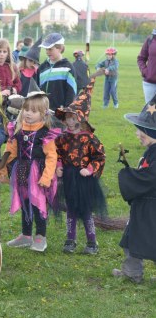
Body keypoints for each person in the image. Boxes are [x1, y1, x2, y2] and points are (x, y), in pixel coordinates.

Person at [55, 78, 107, 255]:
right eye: (67, 117)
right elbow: (58, 152)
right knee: (70, 209)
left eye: (73, 117)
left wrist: (90, 168)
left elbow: (100, 156)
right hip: (69, 177)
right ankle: (70, 239)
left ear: (82, 118)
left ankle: (92, 242)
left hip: (84, 179)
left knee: (85, 210)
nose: (69, 121)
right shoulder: (62, 137)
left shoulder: (89, 138)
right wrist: (59, 165)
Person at [5, 91, 59, 252]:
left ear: (43, 113)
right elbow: (10, 151)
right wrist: (4, 170)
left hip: (38, 174)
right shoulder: (17, 129)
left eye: (34, 111)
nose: (28, 113)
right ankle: (26, 236)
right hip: (22, 172)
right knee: (25, 203)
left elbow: (51, 156)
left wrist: (47, 177)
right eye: (26, 109)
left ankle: (40, 237)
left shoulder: (45, 132)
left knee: (38, 204)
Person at [112, 94, 156, 283]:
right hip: (143, 206)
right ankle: (132, 272)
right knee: (131, 239)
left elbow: (151, 177)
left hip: (152, 208)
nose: (137, 133)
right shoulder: (150, 152)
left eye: (142, 130)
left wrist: (128, 176)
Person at [38, 33, 77, 111]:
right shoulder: (42, 67)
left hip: (60, 111)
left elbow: (71, 91)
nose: (47, 52)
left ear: (60, 48)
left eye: (50, 49)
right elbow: (37, 88)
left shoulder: (68, 68)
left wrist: (67, 109)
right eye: (46, 49)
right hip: (42, 110)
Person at [137, 29, 156, 102]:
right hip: (150, 84)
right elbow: (141, 58)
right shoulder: (150, 40)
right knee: (150, 112)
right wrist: (145, 72)